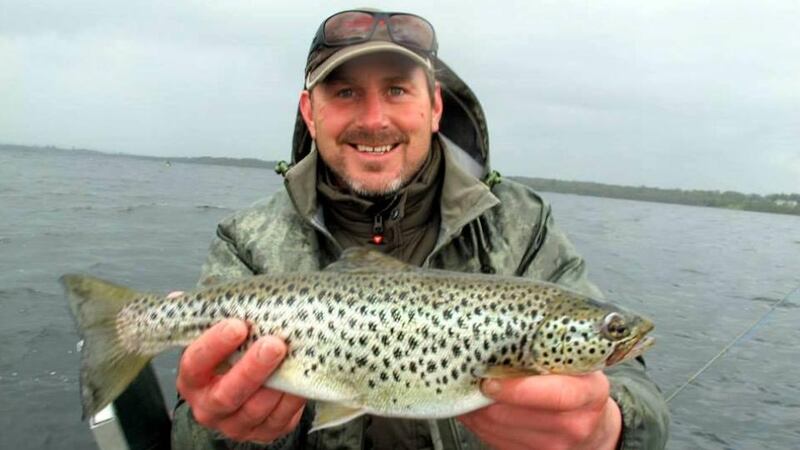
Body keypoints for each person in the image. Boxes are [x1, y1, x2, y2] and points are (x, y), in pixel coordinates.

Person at [170, 9, 670, 450]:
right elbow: (188, 426)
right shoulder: (246, 242)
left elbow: (635, 392)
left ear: (434, 107)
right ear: (310, 112)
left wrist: (609, 429)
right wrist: (216, 427)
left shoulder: (523, 225)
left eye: (396, 89)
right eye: (345, 92)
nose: (373, 118)